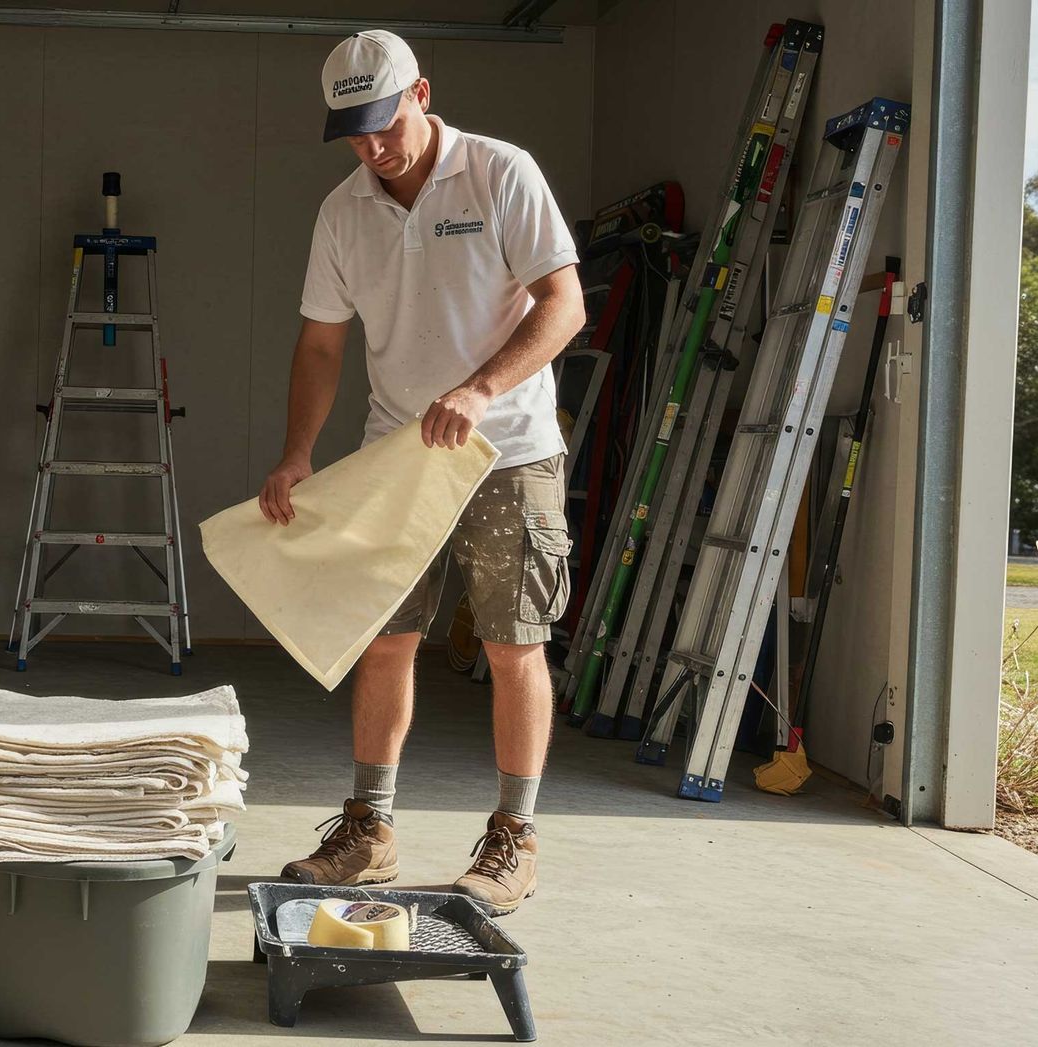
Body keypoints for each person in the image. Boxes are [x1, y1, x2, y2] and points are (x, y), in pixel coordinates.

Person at [259, 30, 586, 916]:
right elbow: (322, 344)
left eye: (384, 122)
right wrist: (299, 450)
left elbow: (565, 302)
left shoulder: (499, 173)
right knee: (385, 640)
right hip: (396, 454)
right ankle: (369, 829)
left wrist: (481, 389)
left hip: (507, 449)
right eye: (354, 131)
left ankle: (513, 839)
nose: (374, 147)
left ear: (422, 93)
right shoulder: (343, 212)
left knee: (514, 644)